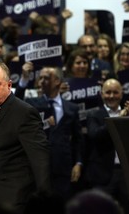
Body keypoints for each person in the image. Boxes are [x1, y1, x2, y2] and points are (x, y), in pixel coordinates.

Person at [0, 60, 51, 213]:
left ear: (9, 85)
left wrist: (45, 201)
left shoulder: (24, 113)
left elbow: (40, 159)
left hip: (13, 202)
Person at [25, 66, 84, 201]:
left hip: (63, 167)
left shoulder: (71, 108)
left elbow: (78, 139)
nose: (41, 81)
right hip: (39, 168)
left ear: (57, 81)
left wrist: (78, 163)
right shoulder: (31, 104)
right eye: (40, 78)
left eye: (46, 78)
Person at [86, 78, 129, 210]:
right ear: (101, 94)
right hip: (103, 175)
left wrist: (126, 116)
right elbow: (95, 135)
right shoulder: (93, 114)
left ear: (121, 94)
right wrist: (118, 118)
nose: (111, 96)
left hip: (127, 173)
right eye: (108, 92)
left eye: (115, 92)